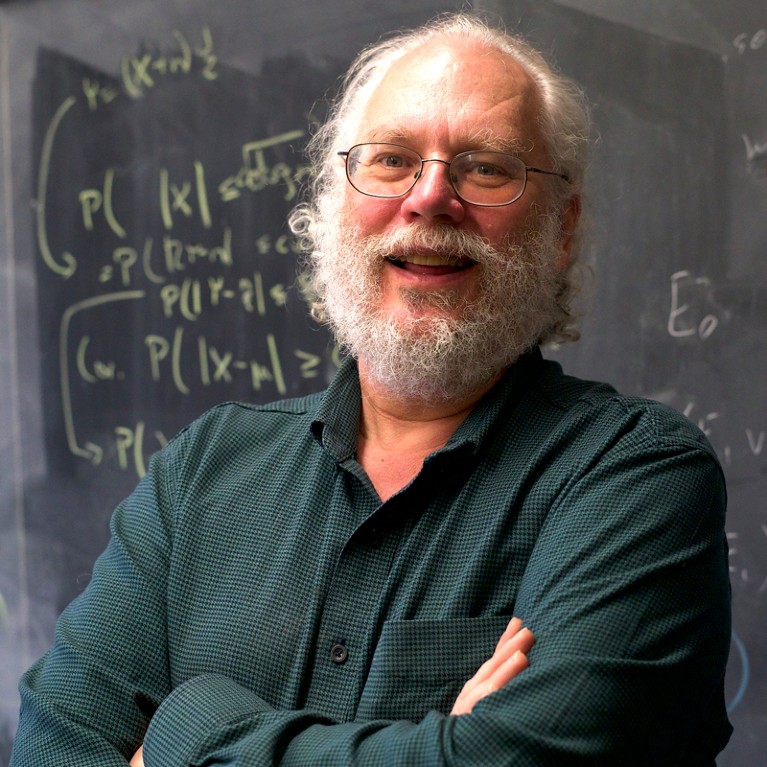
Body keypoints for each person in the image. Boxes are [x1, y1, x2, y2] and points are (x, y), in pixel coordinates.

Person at [11, 12, 732, 766]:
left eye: (486, 168)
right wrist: (441, 746)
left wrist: (187, 730)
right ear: (334, 206)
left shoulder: (636, 479)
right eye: (391, 159)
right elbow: (52, 747)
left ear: (561, 229)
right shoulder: (202, 470)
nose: (430, 196)